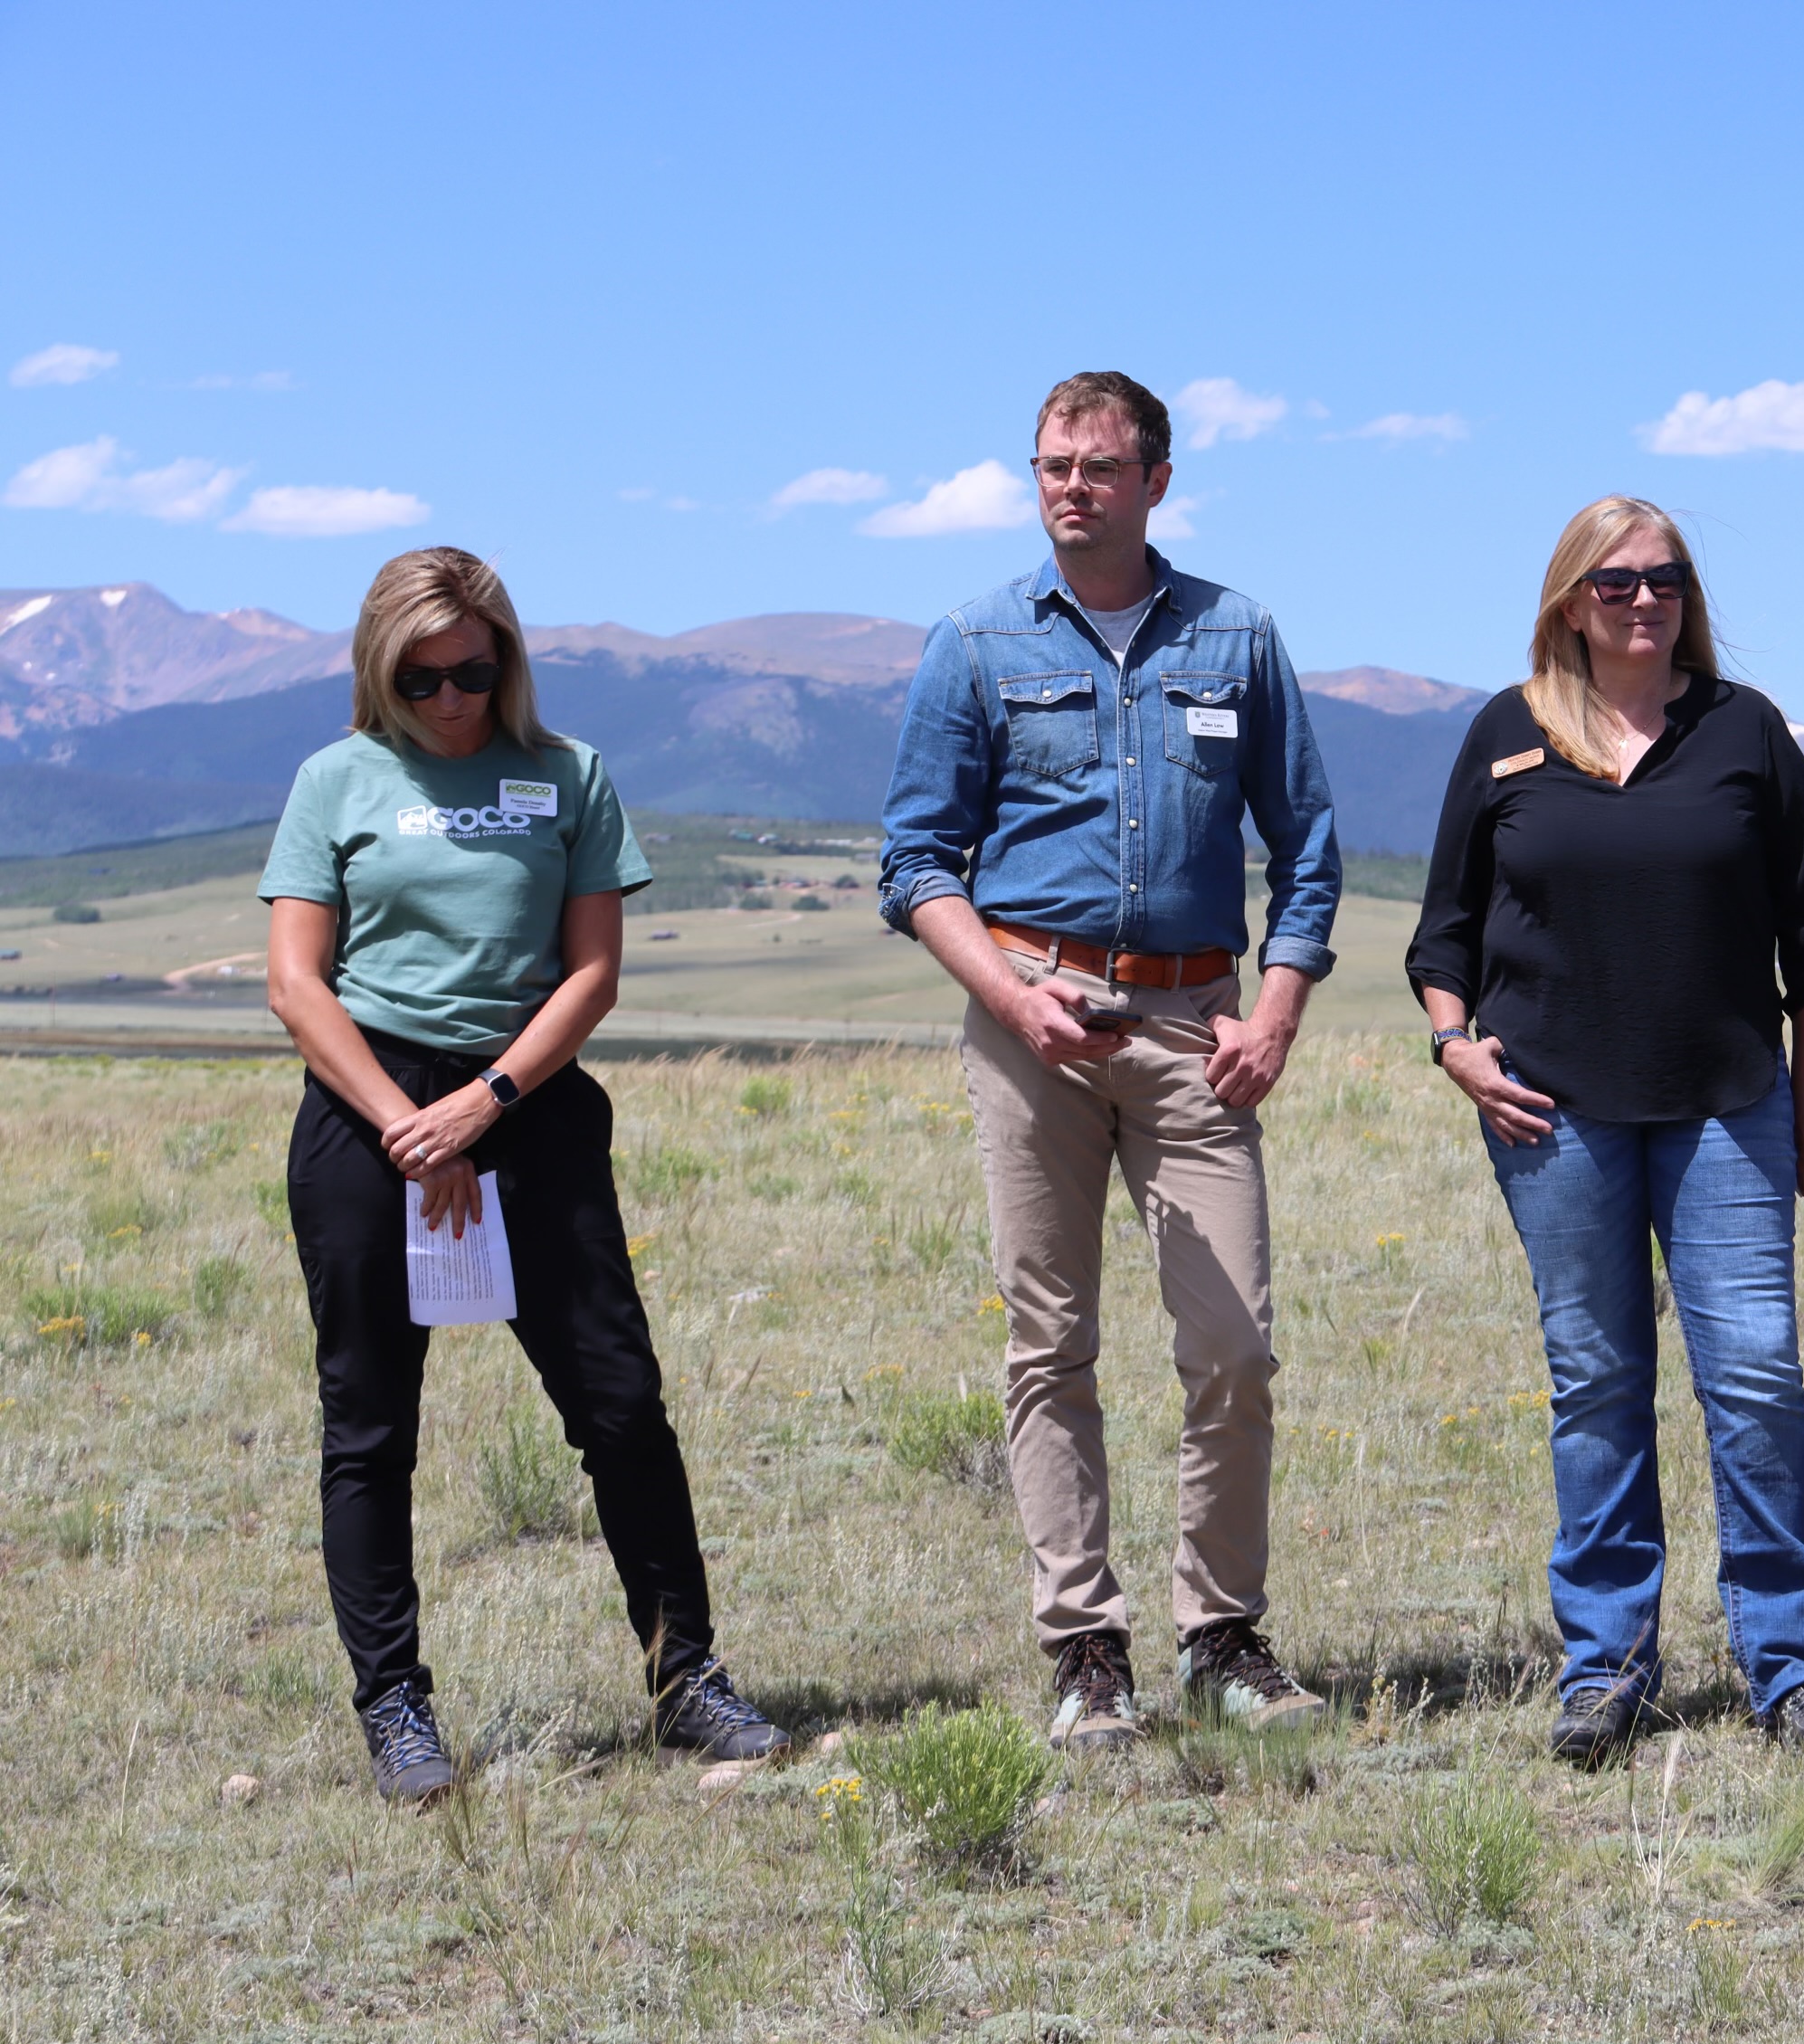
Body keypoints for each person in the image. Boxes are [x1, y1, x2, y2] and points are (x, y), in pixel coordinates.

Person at [261, 547, 787, 1805]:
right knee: (372, 1424)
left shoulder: (569, 778)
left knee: (620, 1406)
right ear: (380, 671)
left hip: (528, 1099)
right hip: (369, 1108)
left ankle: (686, 1680)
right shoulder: (334, 780)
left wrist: (486, 1101)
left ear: (507, 659)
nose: (450, 698)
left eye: (474, 672)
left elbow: (593, 974)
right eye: (422, 676)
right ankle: (396, 1712)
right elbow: (295, 982)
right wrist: (409, 1125)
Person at [879, 371, 1341, 1752]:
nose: (1073, 487)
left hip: (1199, 1027)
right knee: (1051, 1345)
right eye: (1051, 466)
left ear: (1156, 480)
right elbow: (914, 863)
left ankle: (1224, 1639)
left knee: (1233, 1348)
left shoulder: (1237, 640)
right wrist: (1014, 1004)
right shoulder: (973, 644)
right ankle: (1087, 1649)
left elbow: (1307, 847)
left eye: (1099, 465)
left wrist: (1275, 1013)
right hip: (1036, 1026)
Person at [1406, 495, 1804, 1768]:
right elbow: (1444, 931)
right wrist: (1458, 1051)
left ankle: (1795, 1669)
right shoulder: (1507, 734)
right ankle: (1606, 1664)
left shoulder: (1745, 733)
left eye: (1664, 579)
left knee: (1756, 1377)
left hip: (1729, 1104)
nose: (1644, 600)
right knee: (1598, 1383)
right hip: (1550, 1111)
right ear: (1571, 601)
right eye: (1615, 584)